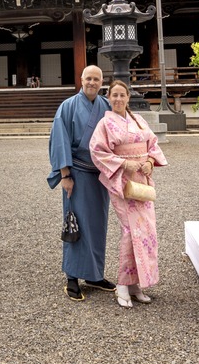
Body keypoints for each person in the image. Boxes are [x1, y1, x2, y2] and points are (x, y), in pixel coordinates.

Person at [89, 79, 167, 308]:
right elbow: (97, 151)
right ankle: (123, 284)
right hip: (122, 182)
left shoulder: (138, 120)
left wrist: (150, 162)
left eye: (122, 95)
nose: (118, 99)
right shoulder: (104, 124)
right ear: (108, 97)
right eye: (114, 95)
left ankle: (136, 284)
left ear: (128, 98)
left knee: (145, 229)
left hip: (142, 180)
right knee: (129, 229)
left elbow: (153, 144)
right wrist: (124, 163)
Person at [47, 65, 116, 301]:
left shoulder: (106, 106)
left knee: (98, 224)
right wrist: (65, 175)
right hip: (76, 173)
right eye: (89, 78)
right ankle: (72, 277)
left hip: (100, 175)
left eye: (97, 79)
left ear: (102, 82)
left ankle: (94, 275)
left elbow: (116, 136)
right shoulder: (68, 106)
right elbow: (60, 140)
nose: (92, 83)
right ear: (81, 80)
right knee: (75, 223)